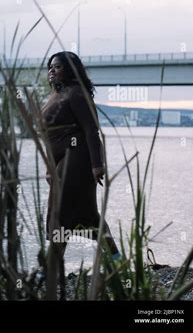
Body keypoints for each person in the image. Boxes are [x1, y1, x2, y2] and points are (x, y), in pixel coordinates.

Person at [41, 51, 121, 260]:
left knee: (63, 212)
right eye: (50, 67)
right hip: (61, 163)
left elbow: (90, 130)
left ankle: (52, 266)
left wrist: (97, 164)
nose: (52, 70)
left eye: (57, 66)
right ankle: (116, 258)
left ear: (70, 69)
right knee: (84, 216)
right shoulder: (57, 95)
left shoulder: (77, 93)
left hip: (77, 159)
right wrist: (50, 166)